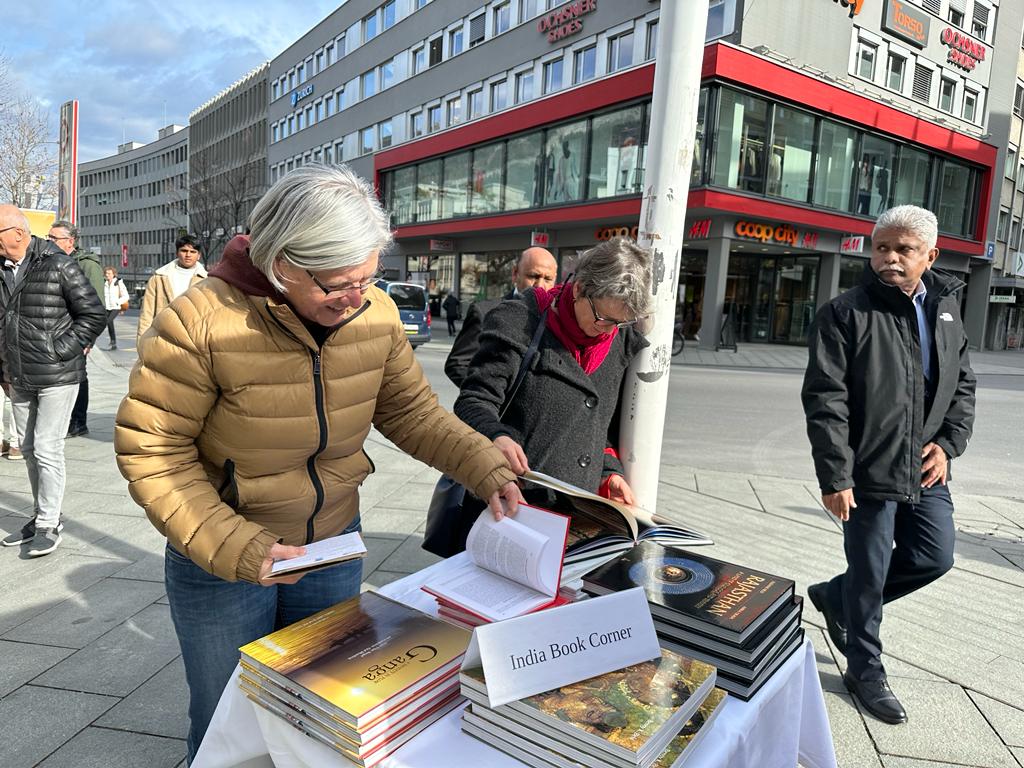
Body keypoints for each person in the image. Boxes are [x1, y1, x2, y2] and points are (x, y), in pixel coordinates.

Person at [113, 165, 521, 764]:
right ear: (282, 264)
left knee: (325, 710)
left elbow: (412, 413)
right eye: (337, 285)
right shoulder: (200, 320)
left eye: (368, 278)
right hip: (225, 561)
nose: (356, 299)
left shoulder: (374, 314)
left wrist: (485, 466)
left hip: (332, 547)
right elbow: (153, 449)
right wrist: (239, 545)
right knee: (227, 713)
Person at [801, 205, 975, 726]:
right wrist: (836, 475)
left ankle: (837, 595)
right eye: (882, 247)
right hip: (868, 468)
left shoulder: (945, 310)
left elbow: (962, 383)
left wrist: (948, 443)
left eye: (904, 249)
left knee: (934, 555)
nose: (890, 258)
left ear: (931, 255)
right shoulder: (845, 312)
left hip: (925, 466)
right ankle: (865, 671)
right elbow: (825, 399)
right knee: (871, 571)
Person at [454, 237, 651, 534]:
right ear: (580, 288)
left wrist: (609, 473)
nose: (607, 330)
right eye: (602, 318)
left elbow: (599, 428)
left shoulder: (619, 342)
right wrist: (497, 436)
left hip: (579, 517)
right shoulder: (518, 322)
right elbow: (472, 401)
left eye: (618, 322)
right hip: (513, 506)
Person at [0, 205, 105, 556]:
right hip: (18, 375)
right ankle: (39, 515)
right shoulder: (1, 270)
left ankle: (49, 523)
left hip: (57, 374)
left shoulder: (57, 263)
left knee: (46, 447)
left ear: (17, 233)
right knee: (28, 449)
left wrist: (61, 350)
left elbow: (92, 313)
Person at [445, 246, 557, 387]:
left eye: (548, 279)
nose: (540, 286)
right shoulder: (485, 312)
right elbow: (458, 364)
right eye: (533, 276)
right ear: (515, 274)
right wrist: (488, 396)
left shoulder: (557, 319)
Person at [47, 221, 102, 439]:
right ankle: (64, 420)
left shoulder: (87, 265)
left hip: (77, 333)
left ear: (70, 242)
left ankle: (78, 422)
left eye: (54, 238)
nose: (49, 242)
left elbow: (98, 305)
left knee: (78, 376)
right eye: (48, 237)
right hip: (55, 331)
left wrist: (88, 339)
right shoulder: (50, 261)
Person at [136, 234, 207, 343]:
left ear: (199, 255)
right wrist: (142, 343)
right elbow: (147, 313)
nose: (188, 255)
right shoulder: (159, 278)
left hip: (195, 340)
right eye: (184, 251)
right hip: (163, 338)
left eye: (193, 252)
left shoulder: (207, 281)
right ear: (177, 253)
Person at [101, 266, 130, 350]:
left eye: (109, 273)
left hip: (115, 307)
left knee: (107, 321)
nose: (107, 275)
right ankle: (113, 343)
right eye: (106, 273)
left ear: (114, 274)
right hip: (107, 307)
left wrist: (118, 302)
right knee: (110, 324)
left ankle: (91, 340)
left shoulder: (118, 283)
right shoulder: (104, 283)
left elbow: (126, 296)